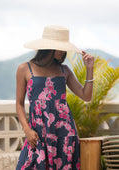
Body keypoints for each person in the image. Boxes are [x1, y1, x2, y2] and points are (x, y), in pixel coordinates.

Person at [16, 25, 94, 170]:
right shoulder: (24, 69)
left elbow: (86, 96)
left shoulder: (64, 70)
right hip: (38, 132)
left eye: (64, 48)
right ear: (48, 47)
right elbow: (19, 104)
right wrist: (26, 129)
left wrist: (89, 69)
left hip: (64, 134)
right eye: (60, 47)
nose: (63, 51)